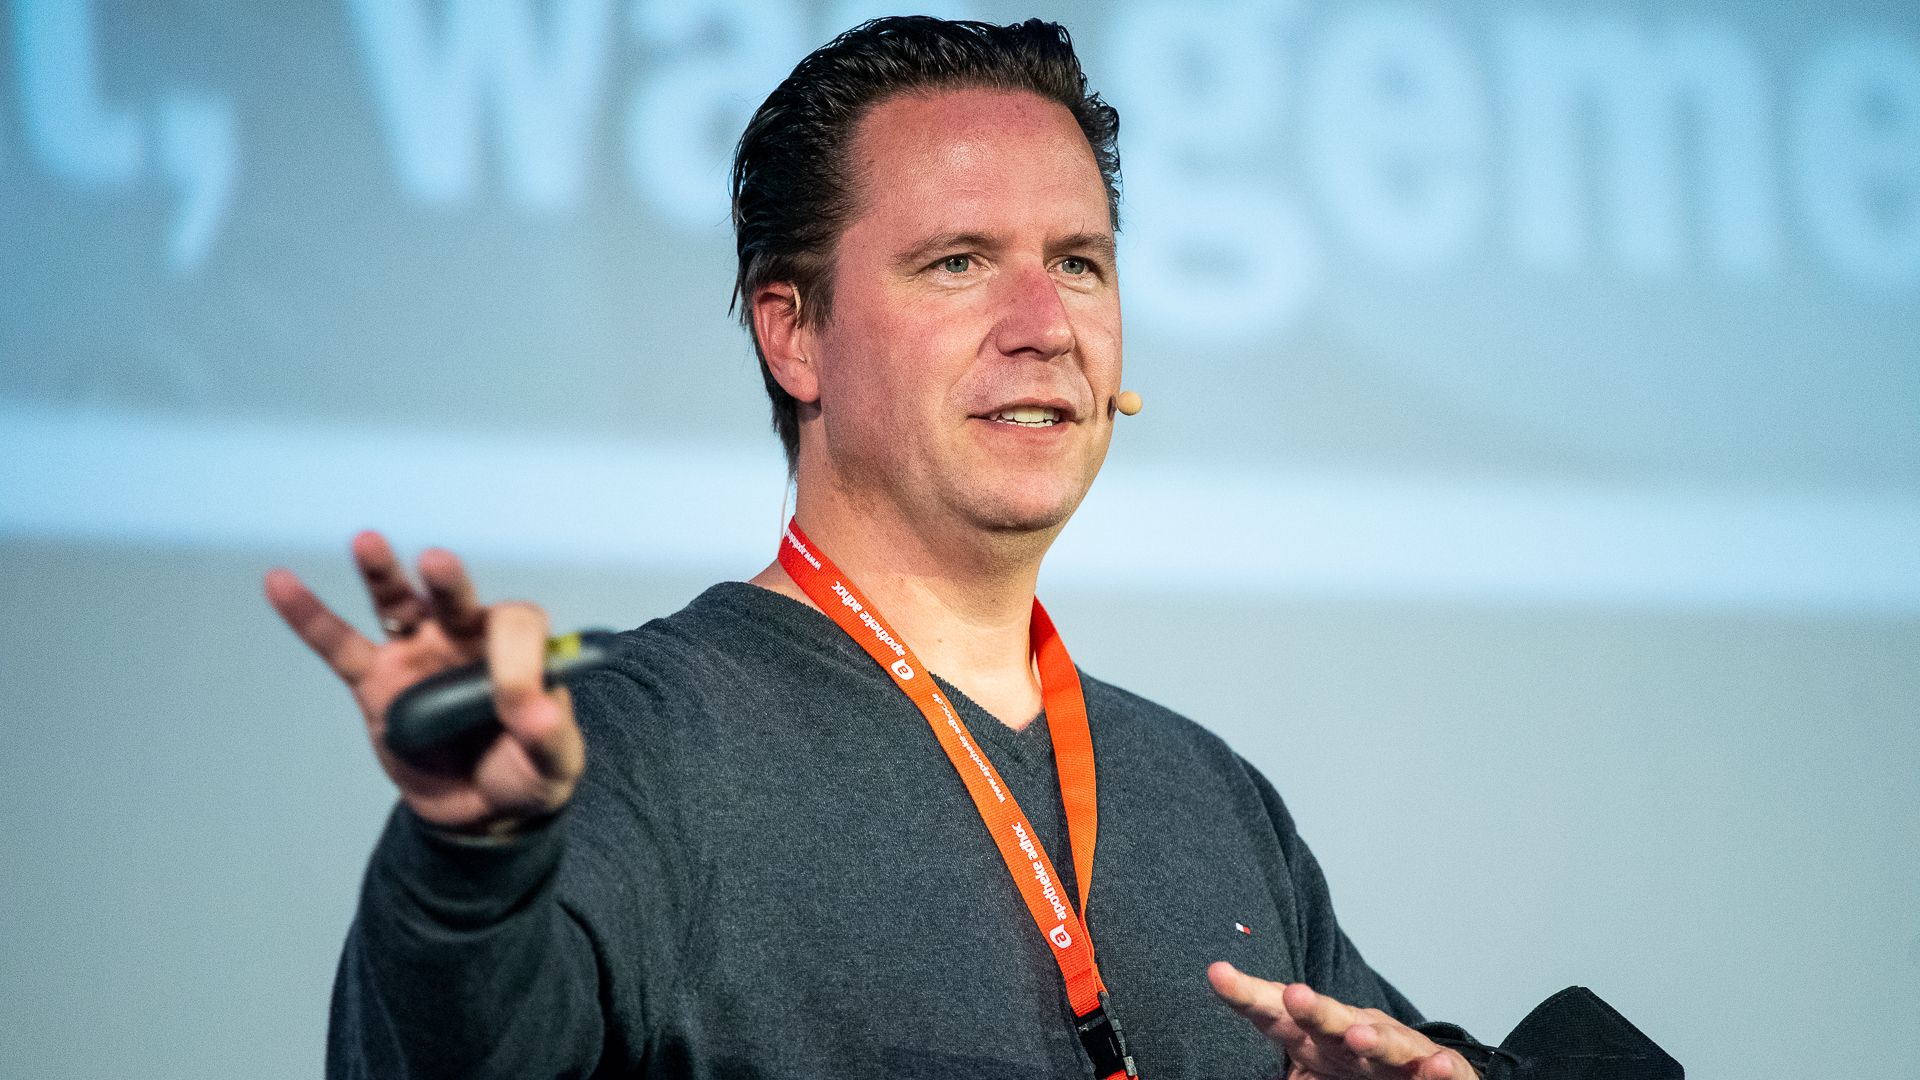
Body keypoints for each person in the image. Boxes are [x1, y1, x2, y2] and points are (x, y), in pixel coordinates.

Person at [265, 17, 1671, 1080]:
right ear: (793, 332)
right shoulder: (636, 743)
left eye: (1079, 262)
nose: (1044, 323)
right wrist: (467, 871)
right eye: (957, 262)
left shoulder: (1205, 794)